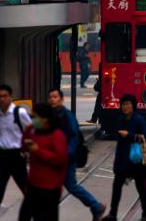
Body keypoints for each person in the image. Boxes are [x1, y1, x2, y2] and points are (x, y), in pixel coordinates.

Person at [48, 89, 106, 221]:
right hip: (56, 158)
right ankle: (96, 206)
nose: (52, 99)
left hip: (67, 158)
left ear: (61, 100)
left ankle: (96, 206)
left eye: (55, 97)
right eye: (50, 97)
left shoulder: (67, 116)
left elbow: (74, 136)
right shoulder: (51, 116)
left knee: (70, 186)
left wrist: (67, 154)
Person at [0, 85, 32, 221]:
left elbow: (31, 130)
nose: (2, 99)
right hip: (1, 157)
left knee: (26, 188)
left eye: (5, 96)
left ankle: (30, 215)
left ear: (10, 97)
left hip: (16, 156)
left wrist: (28, 150)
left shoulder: (19, 113)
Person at [102, 94, 146, 221]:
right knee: (117, 186)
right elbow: (118, 139)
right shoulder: (120, 119)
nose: (125, 107)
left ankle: (145, 214)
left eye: (128, 104)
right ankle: (113, 214)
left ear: (133, 106)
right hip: (122, 160)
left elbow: (145, 136)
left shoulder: (138, 120)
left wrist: (130, 135)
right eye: (123, 104)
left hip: (136, 160)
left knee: (140, 187)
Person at [19, 103, 68, 221]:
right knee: (24, 216)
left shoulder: (57, 135)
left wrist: (38, 151)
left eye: (35, 117)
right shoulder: (33, 131)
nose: (33, 120)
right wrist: (28, 130)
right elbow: (23, 145)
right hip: (33, 184)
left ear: (45, 118)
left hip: (50, 188)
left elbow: (60, 159)